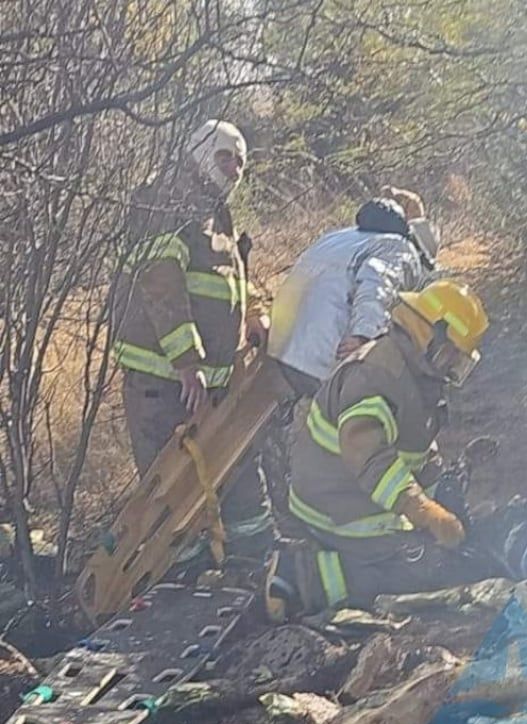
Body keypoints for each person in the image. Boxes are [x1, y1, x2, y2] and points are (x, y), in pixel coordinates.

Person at [266, 280, 488, 616]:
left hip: (356, 498)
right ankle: (302, 577)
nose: (452, 367)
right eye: (451, 355)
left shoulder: (415, 373)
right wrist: (424, 511)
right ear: (431, 335)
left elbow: (415, 446)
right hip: (335, 509)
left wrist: (439, 492)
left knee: (432, 557)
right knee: (415, 569)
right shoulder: (377, 376)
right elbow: (368, 456)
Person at [110, 119, 273, 558]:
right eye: (225, 157)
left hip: (206, 382)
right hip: (165, 380)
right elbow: (160, 281)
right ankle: (173, 571)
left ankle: (250, 556)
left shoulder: (213, 212)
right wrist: (186, 360)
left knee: (228, 471)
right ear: (199, 152)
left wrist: (254, 313)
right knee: (169, 488)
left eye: (241, 163)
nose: (235, 170)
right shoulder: (166, 201)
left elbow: (231, 277)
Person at [266, 193, 440, 396]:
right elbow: (377, 287)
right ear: (422, 253)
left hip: (282, 345)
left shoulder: (341, 237)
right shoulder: (402, 250)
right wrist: (363, 336)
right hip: (323, 355)